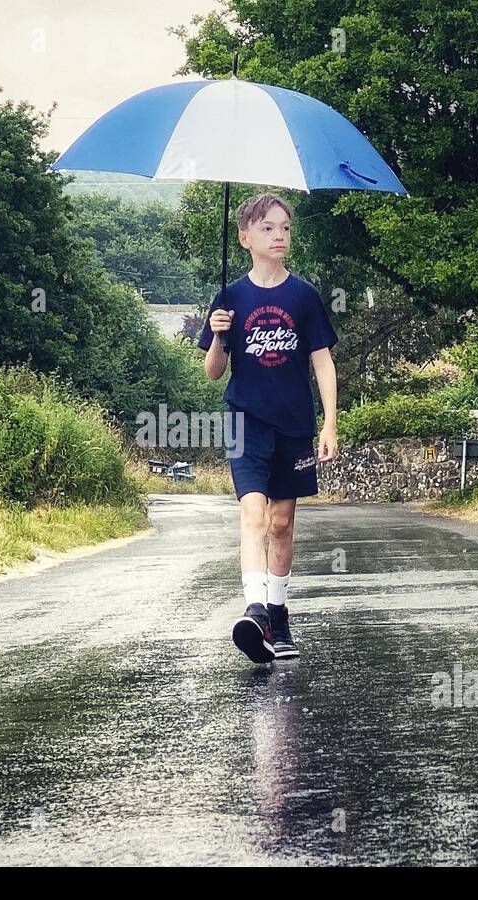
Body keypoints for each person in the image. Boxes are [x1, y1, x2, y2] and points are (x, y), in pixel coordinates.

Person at [197, 192, 339, 663]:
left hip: (294, 424)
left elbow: (322, 362)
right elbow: (213, 372)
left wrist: (330, 423)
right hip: (245, 421)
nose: (279, 236)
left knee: (281, 524)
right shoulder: (230, 298)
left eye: (285, 228)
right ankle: (254, 610)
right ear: (244, 238)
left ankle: (277, 615)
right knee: (253, 514)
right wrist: (218, 336)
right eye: (267, 228)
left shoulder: (304, 296)